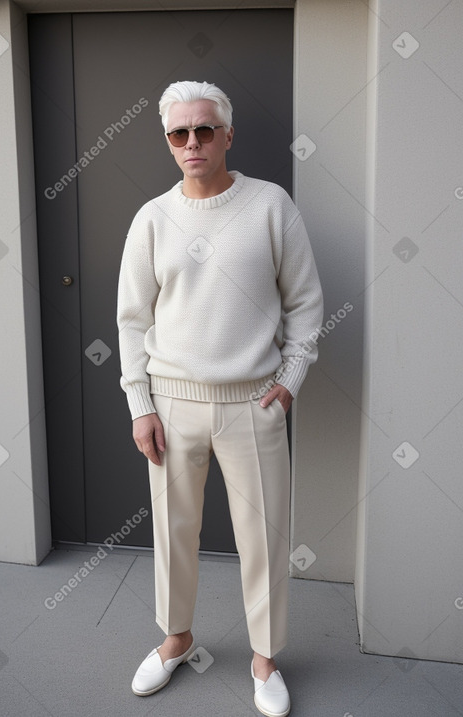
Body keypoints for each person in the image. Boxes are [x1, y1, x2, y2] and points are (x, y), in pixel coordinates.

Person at [116, 80, 323, 717]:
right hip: (172, 404)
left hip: (254, 403)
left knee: (264, 534)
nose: (192, 142)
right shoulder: (152, 218)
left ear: (227, 134)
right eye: (179, 133)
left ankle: (265, 658)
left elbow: (306, 303)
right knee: (174, 532)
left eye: (205, 129)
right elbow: (131, 319)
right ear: (168, 142)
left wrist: (288, 382)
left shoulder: (270, 205)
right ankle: (176, 639)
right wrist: (140, 403)